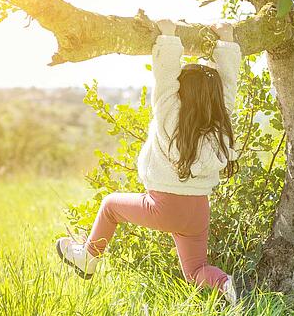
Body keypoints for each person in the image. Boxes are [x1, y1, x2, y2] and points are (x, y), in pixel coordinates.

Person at [55, 19, 243, 304]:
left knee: (109, 206)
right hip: (199, 209)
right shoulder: (221, 119)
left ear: (181, 94)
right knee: (195, 271)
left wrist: (168, 36)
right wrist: (226, 43)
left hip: (165, 206)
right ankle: (225, 283)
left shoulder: (169, 115)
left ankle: (87, 258)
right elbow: (227, 87)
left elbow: (165, 78)